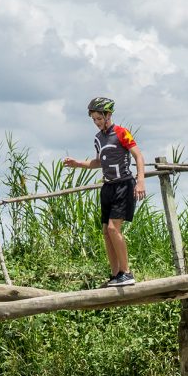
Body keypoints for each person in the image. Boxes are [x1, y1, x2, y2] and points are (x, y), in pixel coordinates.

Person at [62, 96, 146, 287]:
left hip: (123, 185)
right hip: (107, 187)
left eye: (99, 119)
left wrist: (140, 181)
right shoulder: (98, 138)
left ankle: (127, 272)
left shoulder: (122, 133)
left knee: (113, 228)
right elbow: (99, 161)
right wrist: (77, 164)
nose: (97, 123)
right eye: (94, 120)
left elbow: (138, 156)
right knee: (106, 232)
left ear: (108, 115)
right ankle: (116, 274)